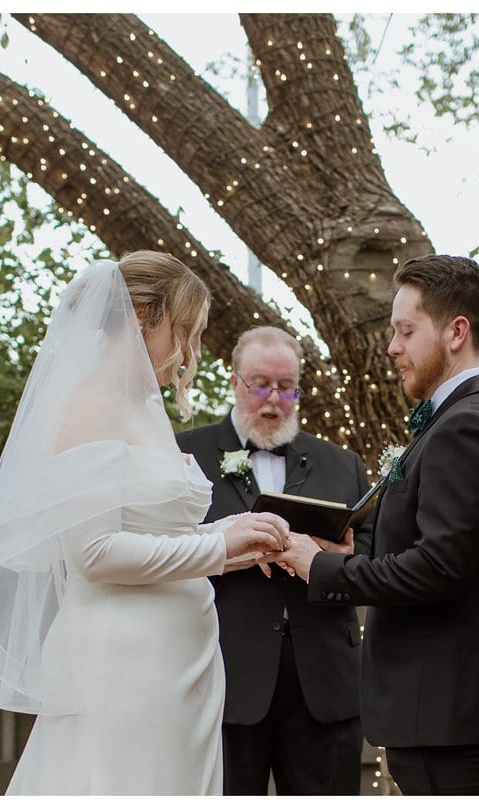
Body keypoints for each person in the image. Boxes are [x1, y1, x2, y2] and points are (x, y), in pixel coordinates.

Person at [0, 251, 289, 795]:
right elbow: (94, 555)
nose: (190, 353)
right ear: (141, 315)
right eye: (185, 331)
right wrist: (216, 546)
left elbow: (158, 536)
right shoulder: (88, 406)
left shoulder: (143, 406)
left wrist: (239, 537)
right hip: (127, 662)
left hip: (183, 658)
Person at [265, 254, 479, 795]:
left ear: (456, 331)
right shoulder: (470, 418)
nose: (392, 347)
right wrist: (349, 558)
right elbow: (441, 555)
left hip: (448, 713)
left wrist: (319, 568)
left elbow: (438, 570)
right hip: (444, 712)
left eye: (406, 331)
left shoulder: (469, 429)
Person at [175, 326, 373, 795]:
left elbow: (375, 557)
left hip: (324, 684)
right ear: (233, 382)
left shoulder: (342, 464)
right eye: (260, 384)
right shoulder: (185, 454)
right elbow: (163, 549)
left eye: (287, 387)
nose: (273, 399)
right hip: (222, 675)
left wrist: (341, 557)